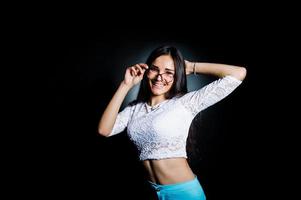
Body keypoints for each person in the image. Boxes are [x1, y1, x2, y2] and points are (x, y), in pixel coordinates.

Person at [98, 45, 247, 199]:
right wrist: (126, 85)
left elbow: (239, 73)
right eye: (155, 69)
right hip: (154, 192)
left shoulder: (185, 103)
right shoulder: (134, 108)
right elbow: (104, 130)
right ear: (147, 71)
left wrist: (190, 67)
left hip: (184, 193)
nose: (159, 77)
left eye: (169, 72)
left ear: (177, 76)